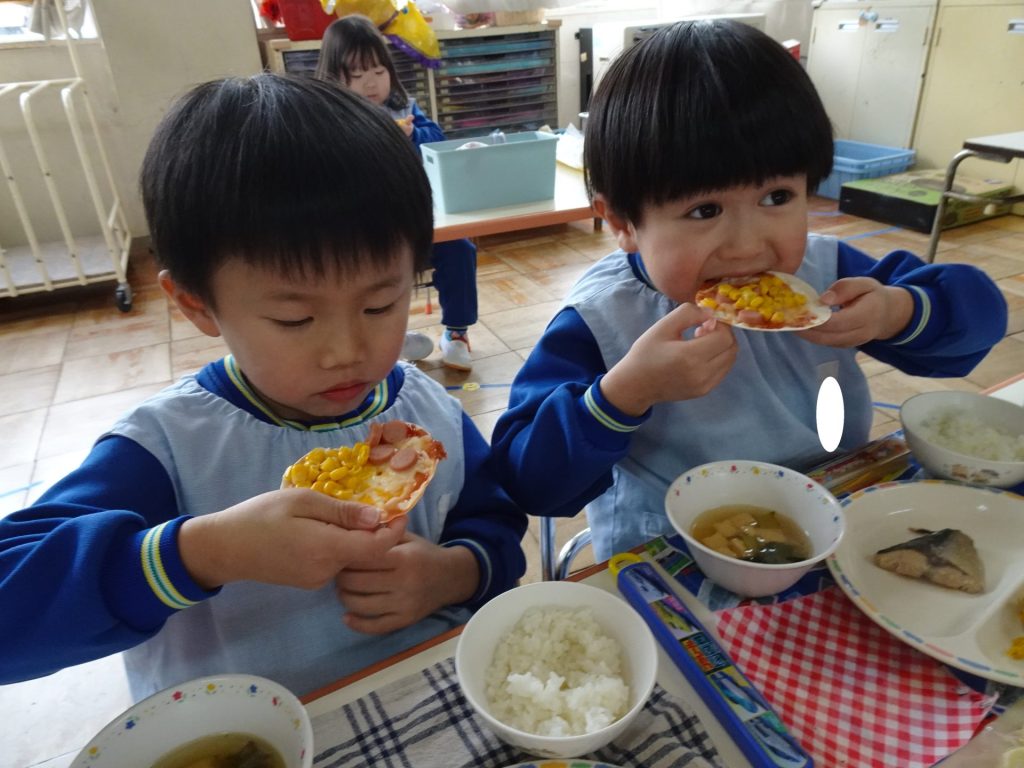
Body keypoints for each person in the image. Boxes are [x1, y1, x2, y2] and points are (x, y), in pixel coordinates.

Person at [0, 74, 527, 700]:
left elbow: (496, 527)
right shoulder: (167, 447)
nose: (347, 351)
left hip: (425, 700)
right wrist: (202, 554)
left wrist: (453, 573)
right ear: (196, 304)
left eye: (381, 304)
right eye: (294, 320)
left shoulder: (428, 410)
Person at [488, 19, 1008, 563]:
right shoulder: (600, 320)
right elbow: (528, 482)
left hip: (831, 515)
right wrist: (623, 395)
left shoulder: (828, 272)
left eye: (776, 197)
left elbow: (979, 317)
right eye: (704, 210)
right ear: (622, 223)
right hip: (674, 550)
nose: (746, 245)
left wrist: (897, 312)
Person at [316, 13, 478, 371]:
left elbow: (437, 141)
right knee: (370, 274)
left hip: (413, 221)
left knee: (459, 249)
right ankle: (388, 337)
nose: (371, 82)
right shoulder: (328, 118)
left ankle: (456, 332)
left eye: (378, 70)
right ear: (333, 78)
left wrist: (413, 135)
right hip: (357, 231)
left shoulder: (403, 109)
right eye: (357, 74)